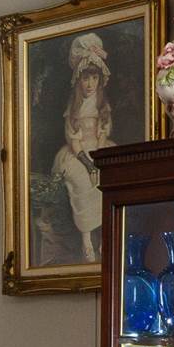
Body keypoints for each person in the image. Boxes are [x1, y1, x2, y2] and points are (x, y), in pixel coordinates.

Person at [46, 31, 111, 265]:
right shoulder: (74, 108)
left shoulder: (102, 105)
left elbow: (103, 132)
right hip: (77, 152)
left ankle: (106, 236)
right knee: (82, 182)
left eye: (94, 78)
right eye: (86, 79)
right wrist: (86, 160)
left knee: (106, 180)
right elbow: (73, 139)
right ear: (78, 80)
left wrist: (99, 157)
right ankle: (86, 240)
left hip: (99, 149)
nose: (90, 84)